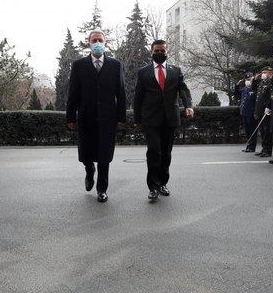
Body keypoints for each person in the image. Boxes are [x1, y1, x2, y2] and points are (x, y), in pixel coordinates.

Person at [66, 30, 126, 203]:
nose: (97, 43)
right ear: (89, 43)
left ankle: (102, 189)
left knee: (105, 155)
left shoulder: (116, 65)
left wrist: (121, 117)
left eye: (100, 40)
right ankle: (89, 170)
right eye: (94, 40)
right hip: (86, 116)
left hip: (108, 118)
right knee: (86, 153)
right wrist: (70, 117)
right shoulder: (78, 65)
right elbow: (73, 93)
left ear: (105, 42)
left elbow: (120, 93)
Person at [134, 39, 194, 201]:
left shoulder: (176, 71)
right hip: (150, 119)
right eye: (156, 51)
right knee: (154, 151)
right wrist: (137, 119)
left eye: (163, 51)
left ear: (167, 52)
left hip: (170, 118)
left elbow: (184, 90)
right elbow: (138, 98)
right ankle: (153, 187)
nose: (160, 54)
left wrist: (188, 105)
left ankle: (162, 183)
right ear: (151, 52)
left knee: (166, 153)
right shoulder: (143, 72)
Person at [254, 66, 273, 157]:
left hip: (267, 111)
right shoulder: (262, 83)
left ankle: (268, 150)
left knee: (267, 132)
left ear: (270, 73)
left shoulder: (271, 83)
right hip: (260, 111)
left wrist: (269, 108)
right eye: (262, 73)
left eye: (265, 72)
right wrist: (256, 112)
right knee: (262, 131)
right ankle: (264, 148)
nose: (263, 74)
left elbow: (271, 97)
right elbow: (258, 98)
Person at [234, 72, 258, 152]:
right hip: (244, 112)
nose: (248, 81)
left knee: (252, 130)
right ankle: (249, 145)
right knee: (247, 130)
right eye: (246, 79)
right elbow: (237, 94)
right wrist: (237, 85)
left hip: (251, 113)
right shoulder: (245, 88)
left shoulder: (255, 88)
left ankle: (252, 147)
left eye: (249, 79)